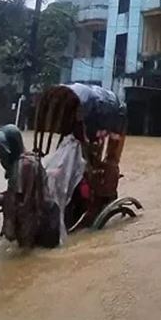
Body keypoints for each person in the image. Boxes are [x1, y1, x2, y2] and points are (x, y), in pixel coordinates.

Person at [33, 84, 128, 229]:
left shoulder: (85, 131)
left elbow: (87, 151)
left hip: (80, 162)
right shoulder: (72, 131)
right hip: (69, 158)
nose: (77, 113)